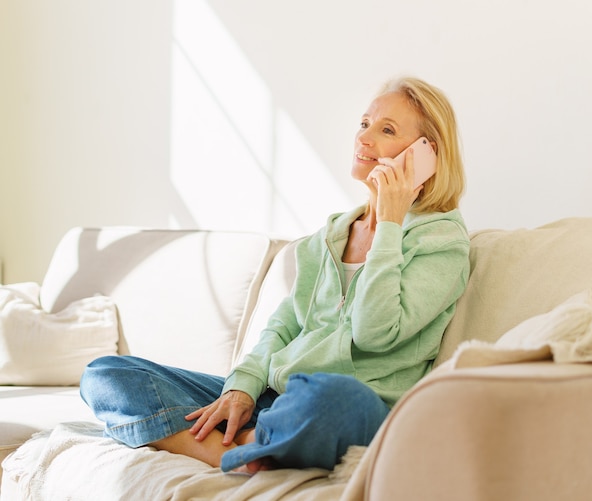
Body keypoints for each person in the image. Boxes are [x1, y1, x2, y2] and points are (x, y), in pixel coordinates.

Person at [80, 76, 470, 474]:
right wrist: (241, 388)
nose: (364, 137)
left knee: (336, 399)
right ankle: (241, 449)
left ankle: (249, 441)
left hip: (347, 404)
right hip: (275, 398)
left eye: (386, 130)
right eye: (364, 122)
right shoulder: (328, 238)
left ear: (427, 154)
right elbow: (283, 326)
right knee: (106, 375)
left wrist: (390, 222)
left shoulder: (442, 240)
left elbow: (374, 332)